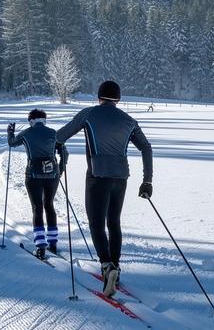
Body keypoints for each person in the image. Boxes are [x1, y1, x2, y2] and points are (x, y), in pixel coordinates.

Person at [57, 80, 153, 297]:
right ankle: (115, 269)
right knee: (114, 222)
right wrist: (147, 181)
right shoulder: (129, 121)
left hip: (97, 177)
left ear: (99, 97)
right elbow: (146, 148)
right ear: (118, 99)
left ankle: (106, 265)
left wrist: (56, 149)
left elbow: (60, 137)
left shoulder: (88, 114)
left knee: (96, 223)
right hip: (121, 177)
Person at [8, 109, 69, 260]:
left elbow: (12, 144)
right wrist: (60, 169)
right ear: (44, 120)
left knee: (37, 208)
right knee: (49, 205)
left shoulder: (26, 133)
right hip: (52, 175)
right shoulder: (54, 133)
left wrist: (10, 132)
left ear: (31, 120)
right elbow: (64, 153)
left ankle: (40, 247)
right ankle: (53, 244)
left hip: (33, 175)